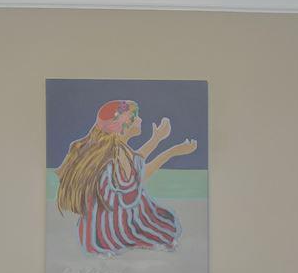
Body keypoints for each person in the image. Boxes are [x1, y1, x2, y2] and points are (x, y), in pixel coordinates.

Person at [54, 99, 196, 255]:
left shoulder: (114, 149)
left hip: (91, 232)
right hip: (110, 234)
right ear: (120, 127)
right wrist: (172, 152)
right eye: (134, 117)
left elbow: (136, 162)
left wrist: (157, 139)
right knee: (163, 226)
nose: (140, 120)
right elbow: (137, 181)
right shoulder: (115, 155)